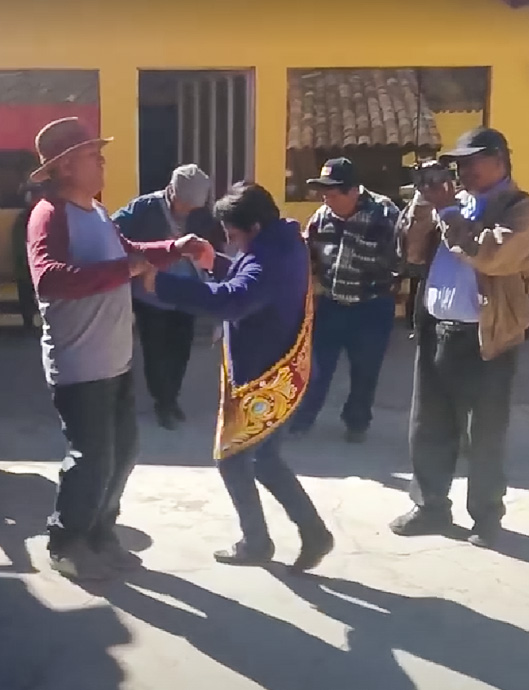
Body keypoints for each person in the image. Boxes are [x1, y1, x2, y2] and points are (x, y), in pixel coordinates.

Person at [26, 117, 212, 580]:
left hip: (115, 357)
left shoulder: (99, 213)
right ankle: (66, 540)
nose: (103, 160)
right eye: (94, 154)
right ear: (66, 166)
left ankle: (100, 531)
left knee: (123, 451)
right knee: (90, 457)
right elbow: (48, 278)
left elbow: (130, 252)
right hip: (79, 362)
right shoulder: (50, 214)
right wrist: (125, 270)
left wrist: (178, 246)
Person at [139, 182, 334, 569]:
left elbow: (234, 299)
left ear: (255, 226)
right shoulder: (281, 243)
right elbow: (247, 280)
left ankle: (262, 541)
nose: (230, 241)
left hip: (266, 376)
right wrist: (214, 262)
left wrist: (159, 283)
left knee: (234, 457)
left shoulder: (270, 257)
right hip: (274, 368)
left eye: (232, 234)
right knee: (263, 459)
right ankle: (307, 533)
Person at [389, 127, 529, 548]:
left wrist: (449, 212)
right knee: (429, 425)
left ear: (499, 160)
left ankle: (487, 517)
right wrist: (425, 203)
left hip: (488, 335)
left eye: (473, 160)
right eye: (459, 162)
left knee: (485, 433)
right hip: (438, 327)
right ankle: (431, 506)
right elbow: (411, 251)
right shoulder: (450, 203)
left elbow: (492, 255)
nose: (464, 169)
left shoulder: (522, 208)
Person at [289, 158, 401, 442]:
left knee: (365, 371)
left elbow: (402, 259)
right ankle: (301, 421)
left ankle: (357, 424)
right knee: (316, 368)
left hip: (372, 307)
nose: (327, 200)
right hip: (331, 304)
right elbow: (308, 257)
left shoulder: (385, 213)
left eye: (333, 193)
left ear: (353, 191)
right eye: (323, 194)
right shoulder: (321, 217)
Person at [113, 164, 219, 430]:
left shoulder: (202, 215)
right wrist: (142, 261)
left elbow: (215, 245)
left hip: (187, 291)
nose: (186, 210)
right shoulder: (144, 208)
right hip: (151, 293)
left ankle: (172, 397)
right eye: (183, 203)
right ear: (171, 190)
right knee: (156, 351)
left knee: (181, 349)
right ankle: (164, 402)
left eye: (192, 207)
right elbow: (113, 234)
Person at [11, 184, 42, 330]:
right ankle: (28, 322)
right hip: (26, 262)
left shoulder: (46, 215)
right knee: (25, 291)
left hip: (38, 262)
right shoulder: (23, 218)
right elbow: (18, 243)